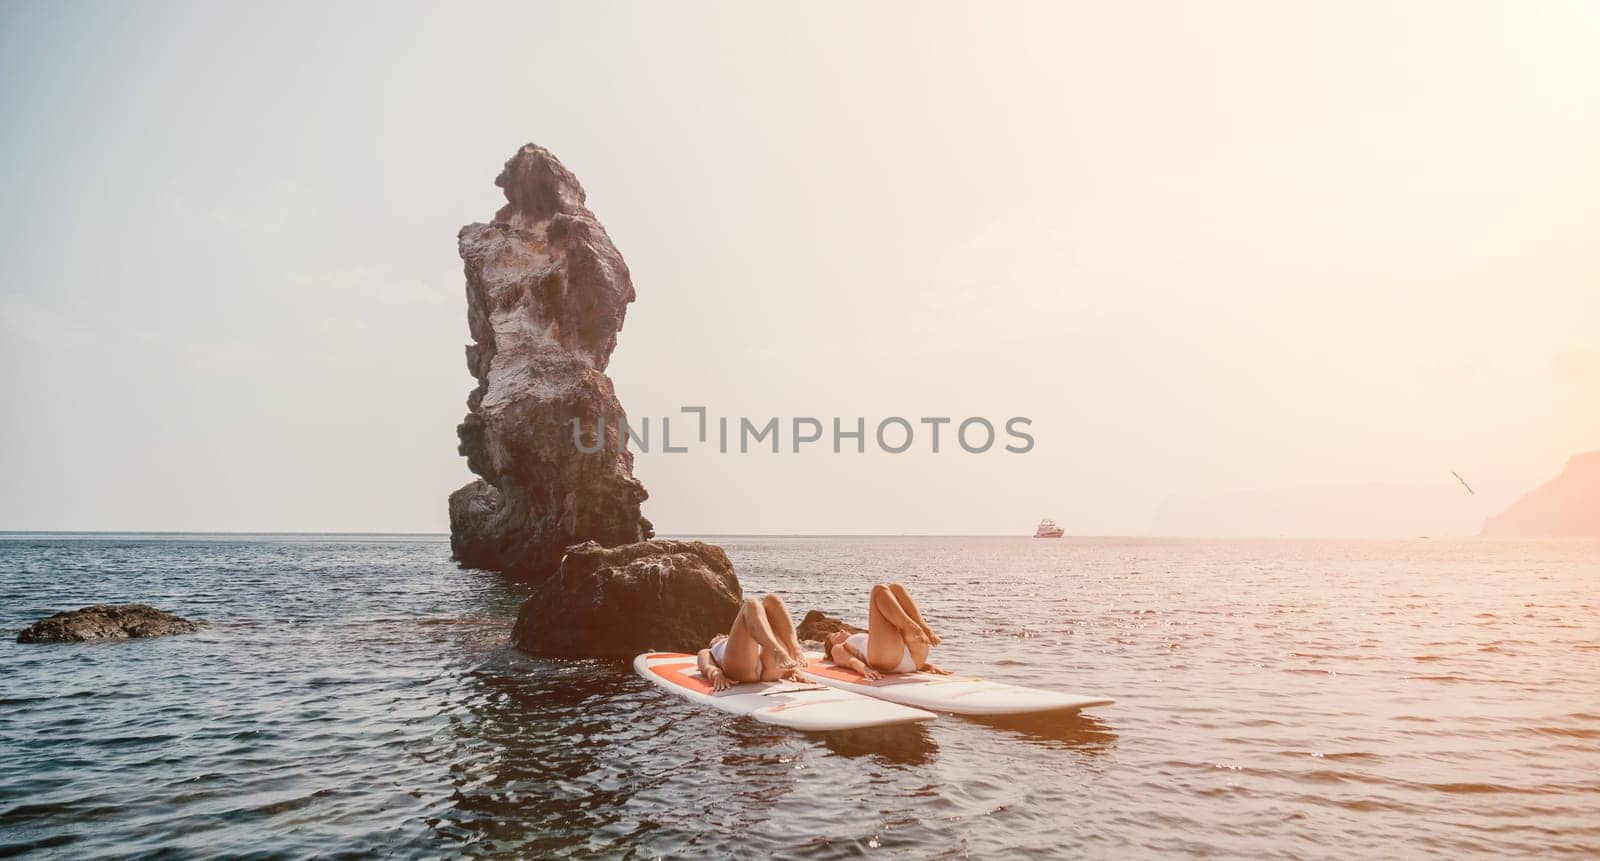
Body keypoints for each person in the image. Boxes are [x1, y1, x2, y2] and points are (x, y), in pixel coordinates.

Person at [821, 583, 951, 677]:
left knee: (896, 588)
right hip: (889, 660)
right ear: (832, 644)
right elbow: (851, 662)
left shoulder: (859, 642)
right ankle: (916, 626)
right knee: (879, 590)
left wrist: (928, 666)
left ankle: (919, 627)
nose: (842, 631)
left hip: (914, 660)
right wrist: (865, 670)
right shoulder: (837, 648)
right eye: (836, 634)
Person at [697, 594, 808, 691]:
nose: (721, 635)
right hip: (743, 669)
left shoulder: (760, 638)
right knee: (751, 604)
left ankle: (795, 648)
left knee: (772, 599)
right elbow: (704, 660)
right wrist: (716, 673)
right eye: (718, 636)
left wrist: (792, 670)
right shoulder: (712, 649)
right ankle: (780, 652)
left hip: (769, 667)